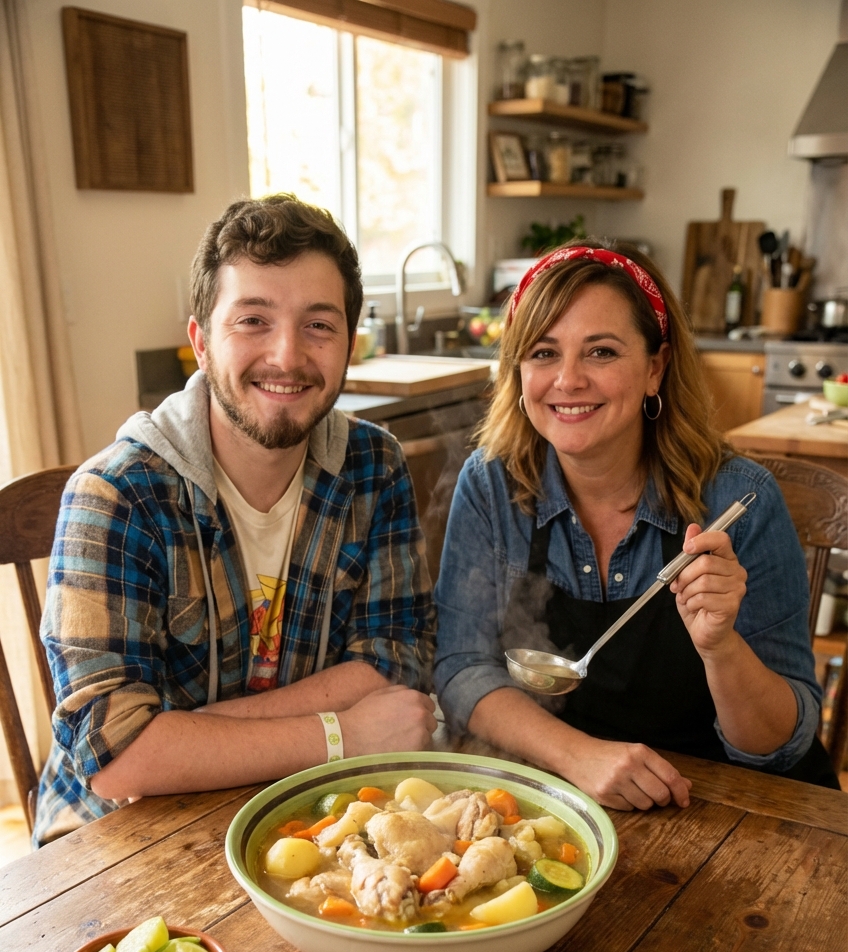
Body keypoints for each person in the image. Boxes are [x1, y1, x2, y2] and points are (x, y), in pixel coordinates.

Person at [35, 195, 436, 845]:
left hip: (302, 814)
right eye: (253, 319)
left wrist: (191, 735)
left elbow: (397, 660)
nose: (287, 355)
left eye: (319, 325)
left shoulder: (373, 464)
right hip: (118, 840)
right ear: (199, 340)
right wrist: (344, 733)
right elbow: (117, 759)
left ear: (349, 344)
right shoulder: (114, 495)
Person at [434, 241, 837, 811]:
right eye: (544, 353)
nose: (568, 380)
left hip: (727, 805)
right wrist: (577, 755)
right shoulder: (493, 484)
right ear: (517, 370)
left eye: (600, 352)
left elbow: (776, 746)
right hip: (572, 794)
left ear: (656, 368)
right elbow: (459, 667)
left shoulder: (736, 499)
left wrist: (721, 647)